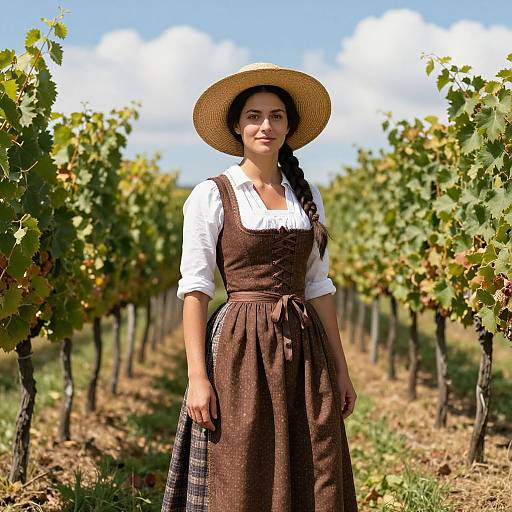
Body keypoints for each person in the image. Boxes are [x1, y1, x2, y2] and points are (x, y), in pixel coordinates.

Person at [161, 62, 358, 512]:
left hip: (304, 347)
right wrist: (196, 378)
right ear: (237, 125)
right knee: (241, 460)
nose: (265, 125)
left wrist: (341, 369)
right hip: (239, 347)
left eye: (276, 116)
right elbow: (195, 290)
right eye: (254, 115)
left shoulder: (305, 197)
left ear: (289, 125)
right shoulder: (212, 194)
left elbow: (317, 286)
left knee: (317, 459)